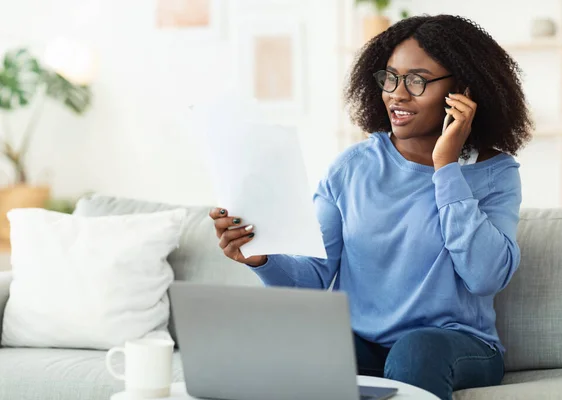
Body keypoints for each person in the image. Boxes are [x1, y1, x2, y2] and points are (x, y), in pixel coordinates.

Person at [209, 14, 532, 400]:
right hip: (364, 345)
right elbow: (312, 276)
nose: (397, 93)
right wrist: (263, 258)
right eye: (390, 77)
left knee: (415, 352)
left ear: (462, 91)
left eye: (417, 81)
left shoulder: (495, 174)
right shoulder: (352, 169)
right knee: (291, 342)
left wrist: (445, 167)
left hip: (454, 346)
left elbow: (485, 277)